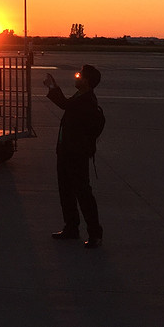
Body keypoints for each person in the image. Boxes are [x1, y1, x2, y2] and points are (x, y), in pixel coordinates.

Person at [44, 64, 104, 247]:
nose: (76, 77)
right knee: (66, 192)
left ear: (86, 81)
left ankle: (95, 234)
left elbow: (65, 105)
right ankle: (71, 227)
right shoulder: (81, 96)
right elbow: (68, 106)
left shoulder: (87, 101)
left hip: (75, 154)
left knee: (83, 193)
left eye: (80, 75)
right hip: (65, 151)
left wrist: (53, 87)